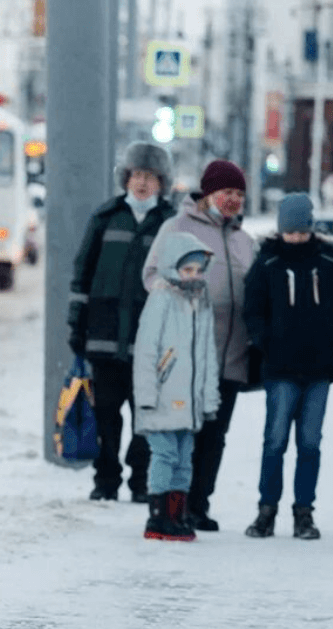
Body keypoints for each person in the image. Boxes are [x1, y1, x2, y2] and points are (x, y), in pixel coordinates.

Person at [142, 159, 256, 531]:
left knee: (215, 436)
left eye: (239, 194)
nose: (233, 199)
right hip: (186, 358)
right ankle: (175, 507)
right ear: (208, 194)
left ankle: (199, 505)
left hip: (230, 353)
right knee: (183, 435)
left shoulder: (243, 240)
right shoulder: (177, 227)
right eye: (227, 192)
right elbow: (152, 275)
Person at [68, 141, 176, 502]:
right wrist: (76, 323)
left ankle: (141, 480)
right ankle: (106, 479)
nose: (142, 182)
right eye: (137, 174)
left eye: (150, 176)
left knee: (146, 417)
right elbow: (82, 274)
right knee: (106, 415)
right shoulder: (106, 217)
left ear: (162, 182)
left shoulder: (170, 224)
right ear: (126, 178)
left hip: (151, 342)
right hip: (104, 335)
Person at [242, 193, 333, 540]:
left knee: (311, 443)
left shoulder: (331, 261)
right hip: (280, 366)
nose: (297, 238)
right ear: (281, 229)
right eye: (291, 232)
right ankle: (266, 511)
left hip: (319, 368)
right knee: (275, 440)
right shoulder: (268, 262)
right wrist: (264, 340)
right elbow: (252, 308)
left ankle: (304, 513)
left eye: (302, 232)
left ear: (311, 228)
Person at [134, 233, 220, 541]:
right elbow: (146, 350)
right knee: (165, 455)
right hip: (161, 397)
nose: (193, 276)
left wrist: (209, 399)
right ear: (172, 268)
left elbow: (207, 356)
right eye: (186, 270)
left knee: (185, 459)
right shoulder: (161, 299)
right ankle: (157, 516)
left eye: (198, 270)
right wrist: (146, 394)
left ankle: (176, 513)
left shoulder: (201, 303)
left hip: (190, 401)